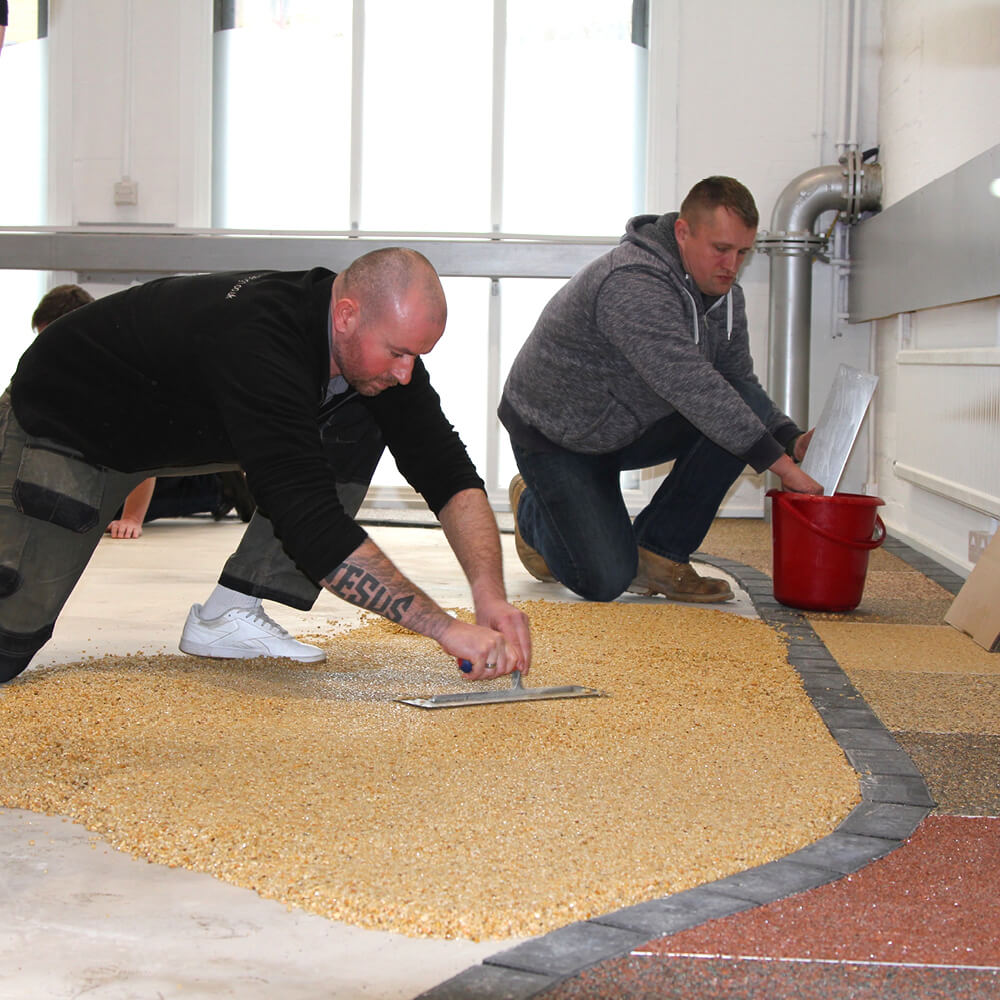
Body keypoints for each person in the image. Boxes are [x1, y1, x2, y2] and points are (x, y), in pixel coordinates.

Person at [1, 249, 530, 683]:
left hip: (163, 432)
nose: (406, 373)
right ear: (346, 314)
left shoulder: (375, 347)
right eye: (398, 353)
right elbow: (311, 526)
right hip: (62, 427)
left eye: (417, 355)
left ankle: (231, 611)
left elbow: (448, 471)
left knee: (366, 406)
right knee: (7, 647)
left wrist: (490, 596)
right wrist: (443, 628)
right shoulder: (260, 344)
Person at [499, 176, 822, 605]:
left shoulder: (725, 297)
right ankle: (532, 510)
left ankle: (660, 552)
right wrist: (782, 466)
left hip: (626, 424)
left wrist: (789, 438)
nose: (732, 264)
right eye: (720, 249)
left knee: (732, 417)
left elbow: (736, 383)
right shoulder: (632, 282)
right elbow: (691, 383)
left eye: (743, 252)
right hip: (557, 436)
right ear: (683, 232)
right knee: (604, 580)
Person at [29, 285, 253, 540]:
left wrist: (131, 518)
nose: (45, 352)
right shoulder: (64, 371)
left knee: (108, 509)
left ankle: (222, 490)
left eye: (51, 341)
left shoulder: (113, 365)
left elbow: (137, 444)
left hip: (166, 451)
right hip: (142, 452)